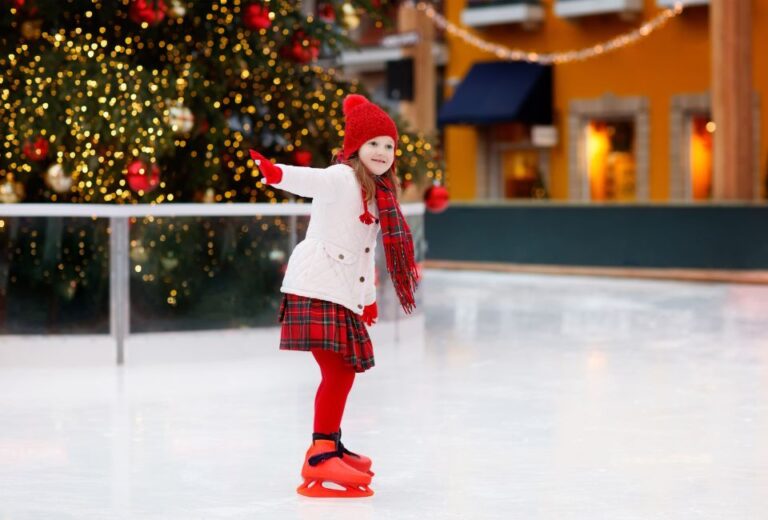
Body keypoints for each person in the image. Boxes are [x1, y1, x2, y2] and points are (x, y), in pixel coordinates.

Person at [248, 94, 419, 498]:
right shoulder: (343, 178)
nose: (381, 152)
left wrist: (368, 298)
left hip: (337, 292)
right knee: (339, 371)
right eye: (373, 143)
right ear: (355, 147)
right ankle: (321, 454)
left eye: (389, 145)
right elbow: (311, 180)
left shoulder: (380, 195)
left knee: (341, 371)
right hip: (315, 288)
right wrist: (275, 174)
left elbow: (363, 254)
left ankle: (330, 445)